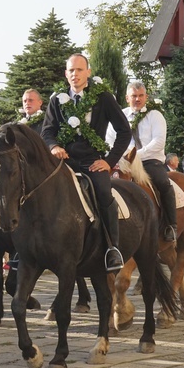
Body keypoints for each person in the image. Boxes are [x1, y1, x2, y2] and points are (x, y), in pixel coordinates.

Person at [41, 53, 131, 271]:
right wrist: (54, 147)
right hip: (64, 162)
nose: (75, 74)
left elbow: (124, 132)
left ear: (88, 72)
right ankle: (29, 248)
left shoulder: (103, 97)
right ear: (65, 74)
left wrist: (109, 162)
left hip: (92, 162)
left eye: (79, 70)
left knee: (103, 192)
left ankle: (113, 249)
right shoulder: (57, 99)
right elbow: (46, 132)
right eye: (71, 70)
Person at [106, 81, 177, 242]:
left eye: (140, 96)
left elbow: (158, 142)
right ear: (127, 98)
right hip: (123, 161)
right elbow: (109, 140)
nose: (137, 99)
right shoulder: (119, 116)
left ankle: (170, 224)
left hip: (149, 160)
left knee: (163, 183)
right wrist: (122, 156)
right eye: (134, 96)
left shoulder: (155, 115)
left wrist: (136, 155)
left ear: (146, 97)